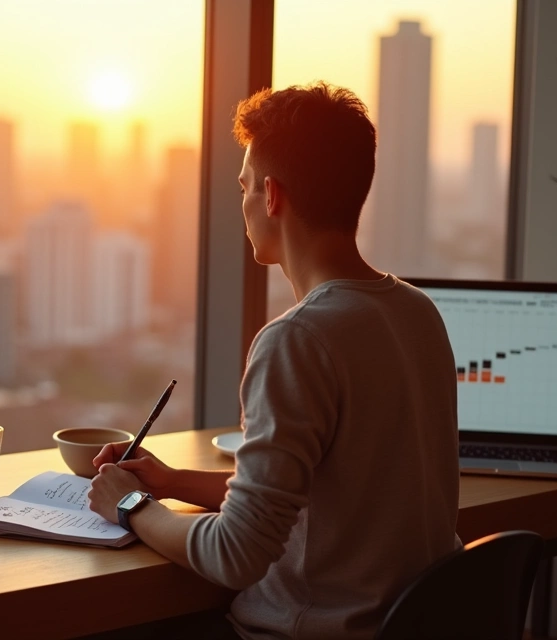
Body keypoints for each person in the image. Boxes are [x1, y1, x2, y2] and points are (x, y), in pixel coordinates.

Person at [86, 82, 459, 640]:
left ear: (273, 196)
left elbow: (235, 556)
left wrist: (132, 504)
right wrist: (169, 481)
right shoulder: (417, 311)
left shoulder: (299, 339)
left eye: (243, 187)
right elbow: (319, 493)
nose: (241, 203)